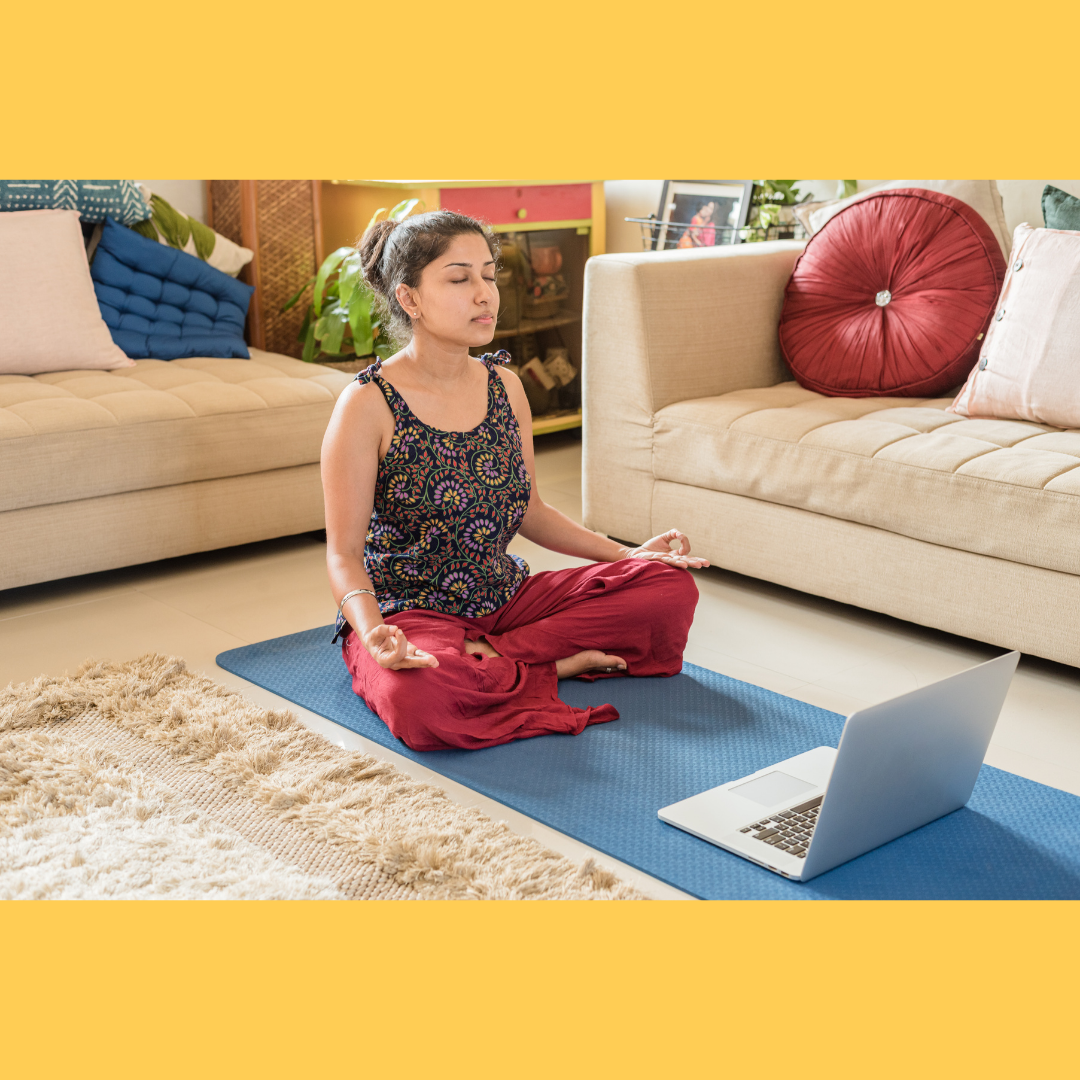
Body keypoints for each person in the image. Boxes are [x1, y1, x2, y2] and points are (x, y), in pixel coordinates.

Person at [321, 210, 707, 751]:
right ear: (409, 299)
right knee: (421, 694)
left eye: (489, 275)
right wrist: (371, 633)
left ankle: (505, 658)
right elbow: (343, 554)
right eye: (459, 279)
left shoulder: (505, 384)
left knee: (666, 587)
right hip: (412, 612)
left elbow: (531, 510)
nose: (485, 294)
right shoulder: (366, 404)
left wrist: (627, 557)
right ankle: (552, 664)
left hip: (506, 599)